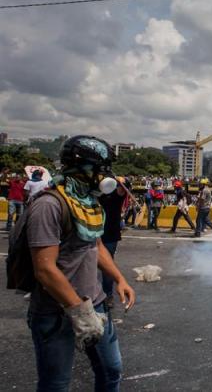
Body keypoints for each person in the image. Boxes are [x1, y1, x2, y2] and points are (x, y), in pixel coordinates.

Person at [27, 135, 135, 390]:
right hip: (57, 311)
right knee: (57, 384)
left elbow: (95, 246)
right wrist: (79, 311)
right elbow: (44, 268)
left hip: (95, 304)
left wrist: (119, 279)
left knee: (111, 372)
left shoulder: (87, 202)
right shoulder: (49, 205)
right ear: (83, 169)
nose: (105, 176)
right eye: (101, 170)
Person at [98, 177, 127, 306]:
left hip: (109, 234)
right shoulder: (96, 195)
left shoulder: (116, 195)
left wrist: (119, 180)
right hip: (93, 233)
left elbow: (124, 188)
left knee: (107, 266)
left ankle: (108, 295)